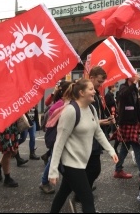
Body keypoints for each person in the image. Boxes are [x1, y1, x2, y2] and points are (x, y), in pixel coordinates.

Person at [48, 79, 118, 213]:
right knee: (87, 199)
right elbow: (59, 142)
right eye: (91, 89)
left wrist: (111, 150)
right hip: (71, 164)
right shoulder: (71, 111)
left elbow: (97, 132)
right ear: (81, 92)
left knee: (63, 193)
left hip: (82, 162)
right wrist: (53, 170)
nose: (94, 91)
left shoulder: (91, 108)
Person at [113, 73, 140, 181]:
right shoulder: (123, 87)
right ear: (128, 77)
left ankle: (118, 170)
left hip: (133, 122)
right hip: (126, 122)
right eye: (134, 75)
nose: (137, 76)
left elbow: (138, 106)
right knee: (137, 148)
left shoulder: (134, 89)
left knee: (125, 149)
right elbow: (123, 95)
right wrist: (134, 84)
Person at [39, 81, 72, 195]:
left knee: (58, 159)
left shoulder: (66, 102)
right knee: (55, 159)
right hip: (57, 136)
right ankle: (44, 182)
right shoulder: (60, 104)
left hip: (61, 136)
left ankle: (73, 182)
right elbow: (51, 120)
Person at [0, 117, 22, 188]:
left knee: (13, 151)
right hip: (5, 126)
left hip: (12, 124)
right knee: (8, 151)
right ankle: (7, 178)